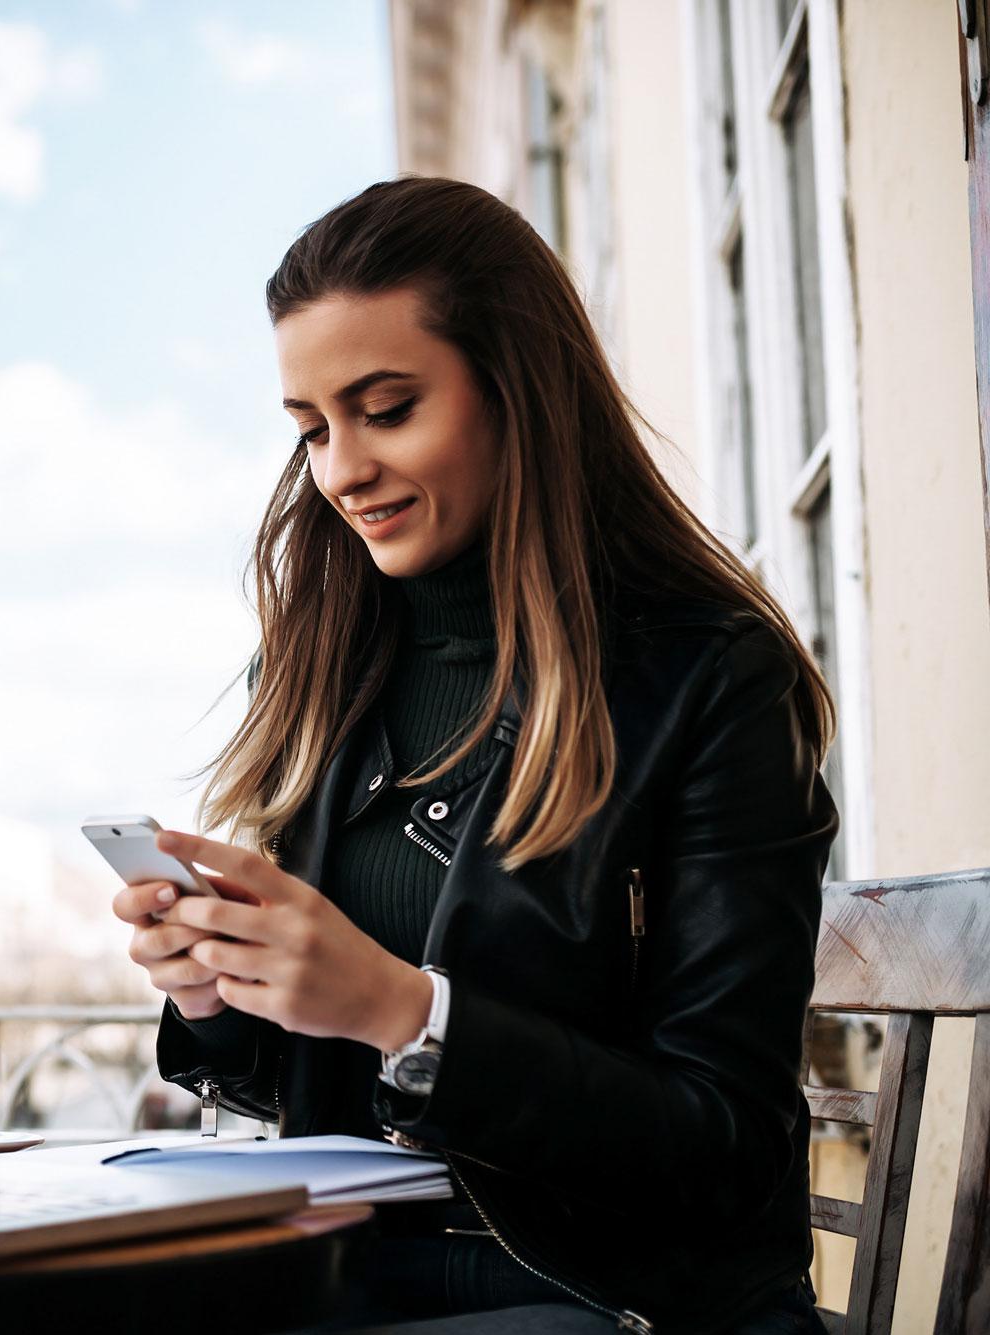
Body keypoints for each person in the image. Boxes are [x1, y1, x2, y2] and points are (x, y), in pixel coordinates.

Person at [110, 176, 837, 1334]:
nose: (338, 469)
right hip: (344, 1273)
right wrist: (216, 991)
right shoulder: (320, 671)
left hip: (604, 1295)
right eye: (310, 429)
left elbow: (725, 1146)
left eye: (385, 409)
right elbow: (307, 1080)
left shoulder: (706, 676)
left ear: (519, 391)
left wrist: (411, 1014)